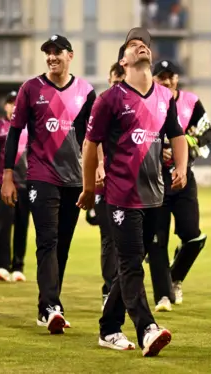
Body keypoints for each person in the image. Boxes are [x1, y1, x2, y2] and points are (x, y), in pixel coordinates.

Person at [77, 27, 187, 357]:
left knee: (132, 264)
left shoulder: (165, 97)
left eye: (145, 45)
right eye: (132, 46)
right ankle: (146, 329)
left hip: (156, 195)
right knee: (131, 265)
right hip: (121, 196)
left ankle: (109, 328)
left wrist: (181, 166)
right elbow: (90, 144)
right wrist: (87, 188)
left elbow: (177, 134)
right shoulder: (109, 98)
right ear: (122, 61)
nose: (140, 47)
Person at [2, 34, 96, 334]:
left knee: (63, 246)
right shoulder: (31, 88)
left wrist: (98, 171)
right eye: (48, 53)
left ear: (71, 55)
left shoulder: (86, 91)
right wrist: (6, 175)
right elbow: (14, 133)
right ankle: (53, 305)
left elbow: (93, 138)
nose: (52, 57)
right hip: (41, 176)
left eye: (58, 52)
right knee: (48, 241)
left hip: (74, 179)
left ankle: (46, 307)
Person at [147, 59, 211, 310]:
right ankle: (163, 295)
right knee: (157, 240)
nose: (165, 81)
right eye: (160, 77)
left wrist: (183, 145)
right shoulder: (147, 102)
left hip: (184, 177)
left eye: (170, 76)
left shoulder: (191, 102)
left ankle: (175, 275)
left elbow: (207, 133)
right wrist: (158, 151)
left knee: (193, 235)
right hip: (155, 180)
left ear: (177, 78)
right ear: (152, 79)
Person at [85, 62, 125, 311]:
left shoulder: (137, 105)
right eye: (115, 80)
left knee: (130, 240)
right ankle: (108, 289)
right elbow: (94, 140)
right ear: (110, 80)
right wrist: (99, 165)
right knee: (108, 238)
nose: (118, 84)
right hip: (104, 182)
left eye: (122, 80)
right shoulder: (103, 103)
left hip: (129, 183)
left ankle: (123, 289)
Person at [0, 91, 30, 282]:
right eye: (11, 103)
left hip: (27, 184)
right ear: (5, 106)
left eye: (17, 103)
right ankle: (2, 266)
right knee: (4, 226)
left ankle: (18, 266)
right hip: (5, 184)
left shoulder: (31, 125)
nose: (14, 107)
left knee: (22, 225)